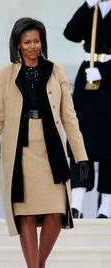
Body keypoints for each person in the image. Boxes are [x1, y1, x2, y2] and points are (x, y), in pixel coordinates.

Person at [0, 17, 89, 268]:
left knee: (57, 212)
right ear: (18, 45)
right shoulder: (5, 74)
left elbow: (69, 116)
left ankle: (40, 264)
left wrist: (80, 156)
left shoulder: (55, 69)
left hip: (51, 149)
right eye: (27, 42)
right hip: (20, 150)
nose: (33, 46)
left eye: (37, 41)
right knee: (25, 213)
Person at [64, 0, 111, 219]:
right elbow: (71, 33)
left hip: (107, 80)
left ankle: (107, 206)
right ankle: (77, 202)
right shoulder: (91, 9)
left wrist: (106, 72)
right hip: (88, 78)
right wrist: (87, 5)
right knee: (79, 138)